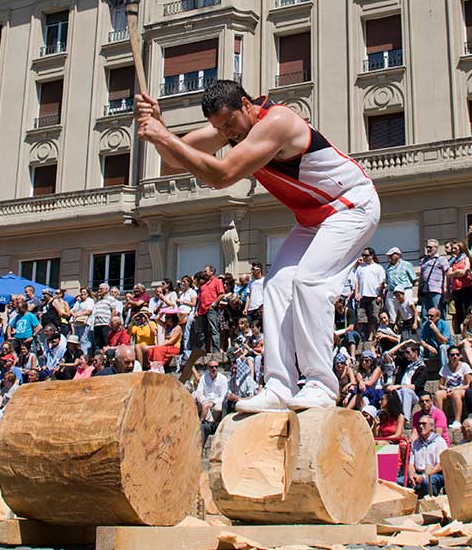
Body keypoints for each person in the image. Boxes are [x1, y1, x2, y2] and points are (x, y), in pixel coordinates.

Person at [135, 80, 379, 412]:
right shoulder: (234, 125)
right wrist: (160, 126)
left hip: (352, 205)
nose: (227, 133)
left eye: (229, 124)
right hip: (314, 219)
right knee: (275, 286)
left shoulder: (276, 122)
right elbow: (172, 162)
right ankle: (280, 386)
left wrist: (163, 136)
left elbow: (223, 175)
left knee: (309, 281)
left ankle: (321, 384)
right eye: (219, 128)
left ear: (247, 106)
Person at [406, 414, 447, 497]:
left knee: (426, 482)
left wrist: (424, 476)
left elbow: (440, 465)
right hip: (418, 473)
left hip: (434, 474)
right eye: (419, 424)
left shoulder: (439, 442)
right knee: (399, 481)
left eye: (424, 424)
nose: (421, 426)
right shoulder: (416, 443)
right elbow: (411, 464)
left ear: (432, 427)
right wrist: (411, 475)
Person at [434, 347, 472, 429]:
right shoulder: (444, 367)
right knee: (437, 394)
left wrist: (455, 389)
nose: (455, 357)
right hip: (449, 389)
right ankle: (440, 419)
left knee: (455, 394)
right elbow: (440, 385)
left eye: (457, 354)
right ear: (448, 356)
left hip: (461, 389)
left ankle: (457, 421)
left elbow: (468, 384)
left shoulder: (465, 366)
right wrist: (446, 389)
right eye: (452, 355)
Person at [193, 360, 228, 444]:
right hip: (205, 401)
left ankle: (203, 420)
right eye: (212, 367)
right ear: (208, 368)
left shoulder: (223, 378)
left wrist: (212, 403)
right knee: (195, 394)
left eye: (216, 366)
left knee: (218, 407)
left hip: (216, 403)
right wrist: (205, 402)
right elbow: (199, 391)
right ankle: (203, 417)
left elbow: (223, 396)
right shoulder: (204, 377)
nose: (214, 369)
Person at [383, 247, 417, 325]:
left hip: (405, 290)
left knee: (407, 308)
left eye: (391, 255)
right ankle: (395, 325)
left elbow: (414, 279)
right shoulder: (388, 268)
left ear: (397, 255)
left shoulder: (407, 265)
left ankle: (413, 323)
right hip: (392, 291)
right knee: (392, 310)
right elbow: (387, 280)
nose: (389, 257)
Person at [418, 239, 448, 320]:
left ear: (436, 248)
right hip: (424, 291)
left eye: (430, 247)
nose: (428, 249)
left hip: (436, 290)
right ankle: (427, 331)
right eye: (427, 247)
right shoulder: (424, 260)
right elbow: (421, 276)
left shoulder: (441, 259)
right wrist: (419, 290)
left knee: (437, 312)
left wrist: (445, 287)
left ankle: (440, 331)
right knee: (425, 312)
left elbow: (447, 273)